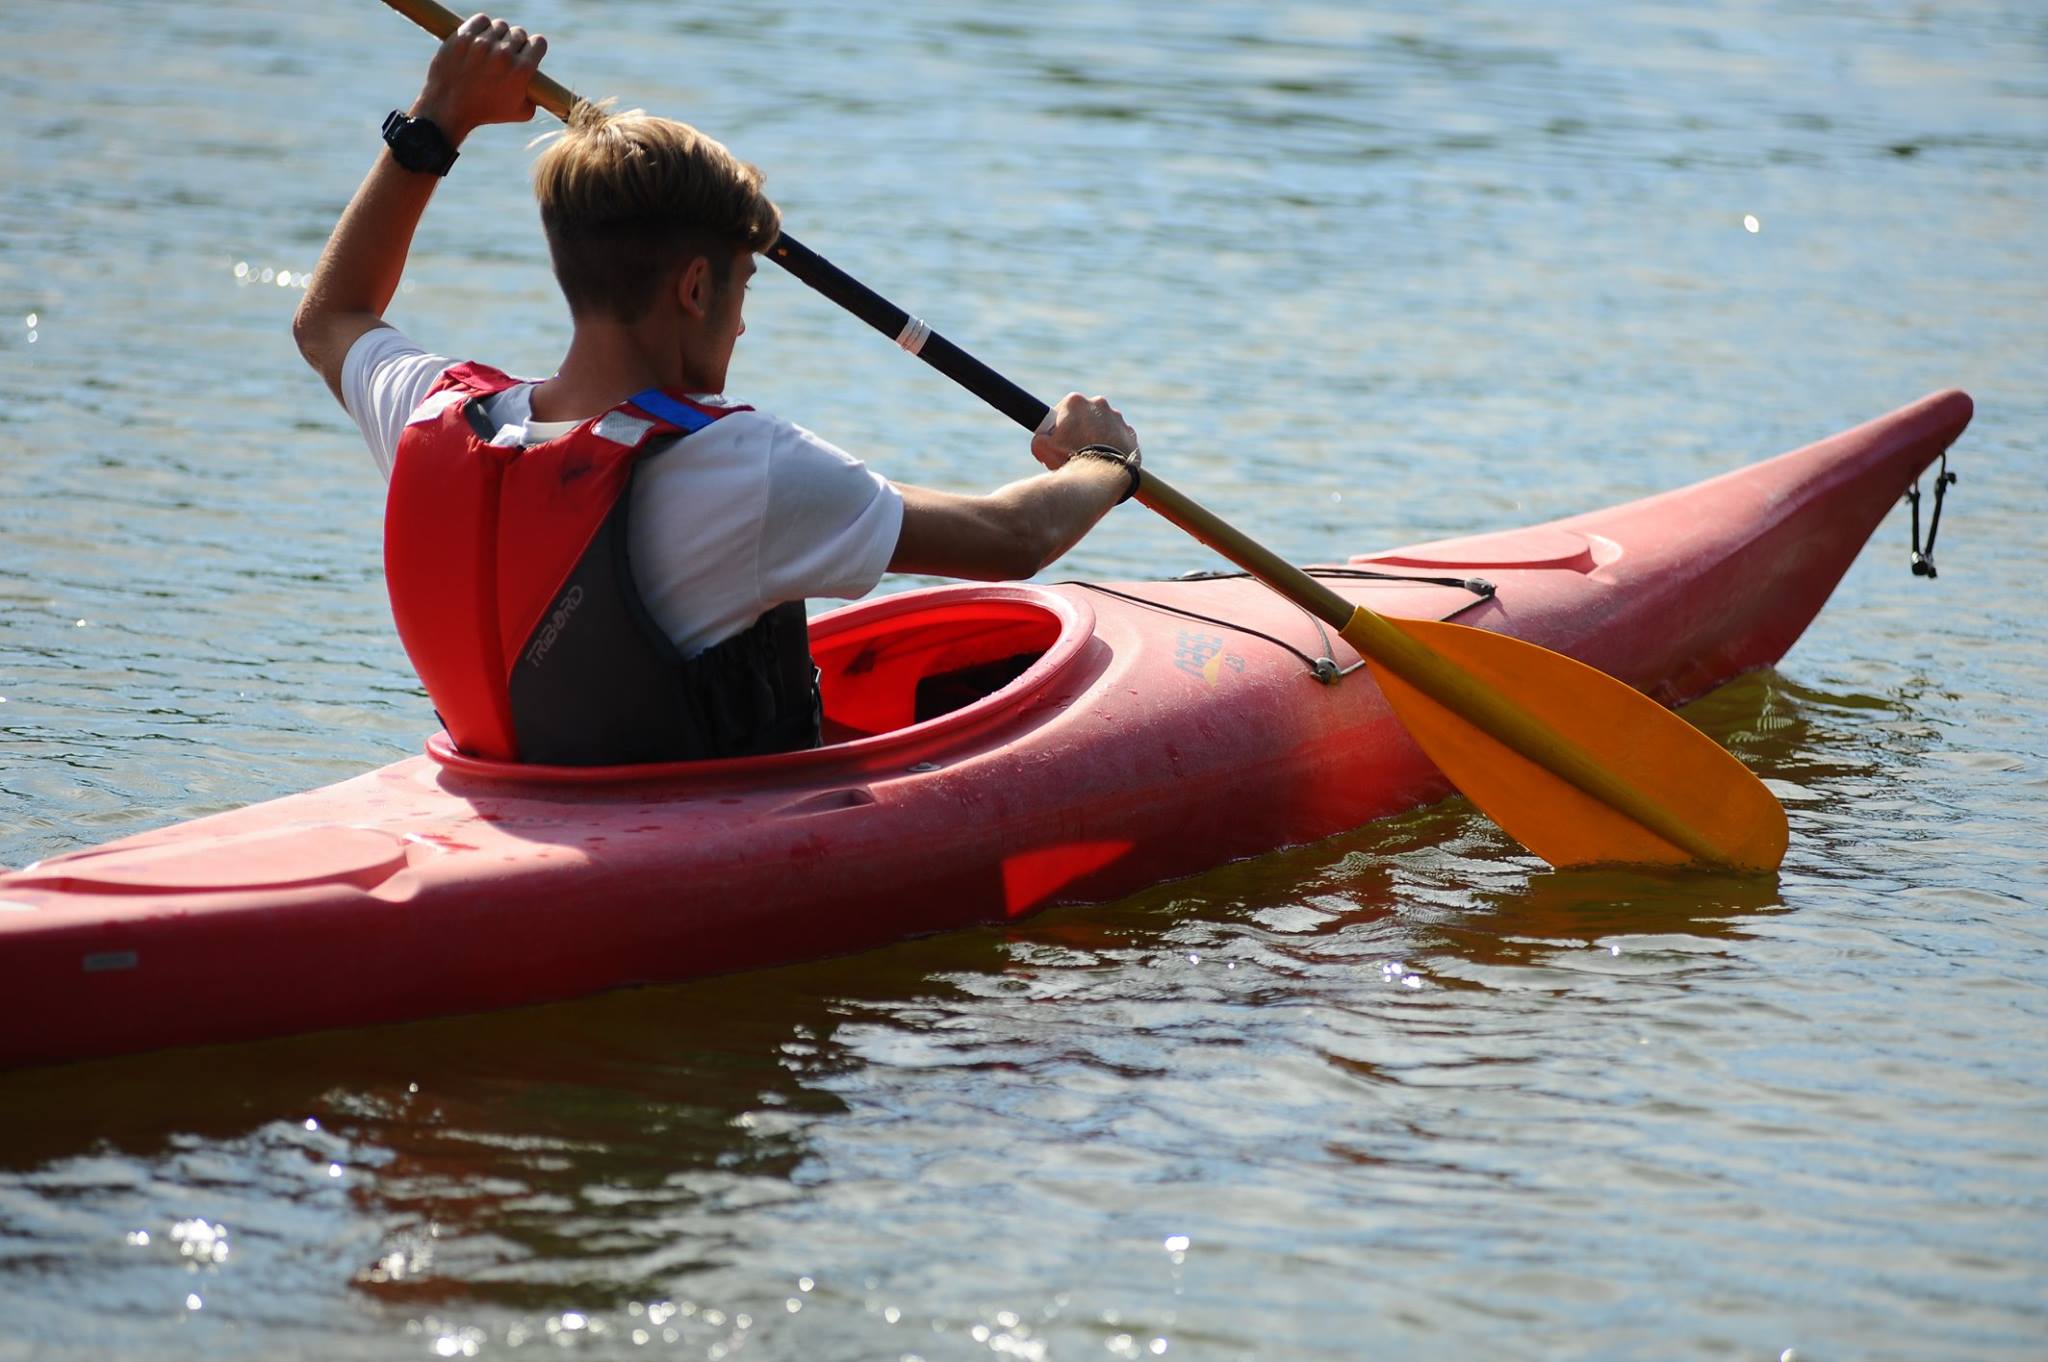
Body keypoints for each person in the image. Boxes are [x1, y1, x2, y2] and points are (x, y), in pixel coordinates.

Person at [293, 13, 1142, 766]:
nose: (740, 327)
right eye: (742, 291)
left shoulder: (438, 412)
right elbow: (1015, 537)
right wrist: (1104, 460)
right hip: (674, 847)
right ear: (696, 289)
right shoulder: (743, 467)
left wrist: (441, 118)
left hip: (500, 796)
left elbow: (330, 316)